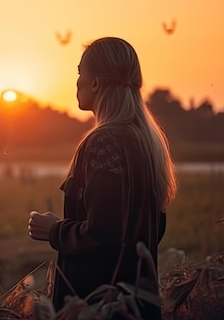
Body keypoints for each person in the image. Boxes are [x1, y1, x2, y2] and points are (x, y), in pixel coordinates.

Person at [28, 37, 177, 318]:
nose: (77, 82)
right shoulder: (146, 141)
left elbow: (104, 234)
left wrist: (54, 230)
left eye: (80, 72)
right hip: (138, 305)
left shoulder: (103, 142)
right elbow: (149, 231)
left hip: (99, 308)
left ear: (95, 82)